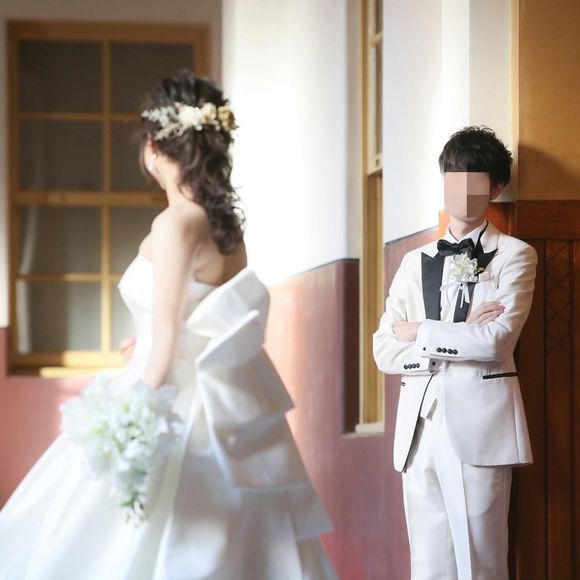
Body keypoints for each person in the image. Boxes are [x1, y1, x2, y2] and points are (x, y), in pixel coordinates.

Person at [0, 70, 337, 580]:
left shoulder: (176, 224)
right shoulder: (229, 230)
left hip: (174, 403)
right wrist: (152, 344)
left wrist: (125, 425)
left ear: (153, 146)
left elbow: (165, 347)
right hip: (228, 406)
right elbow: (213, 322)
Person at [373, 126, 537, 579]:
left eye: (475, 179)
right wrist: (458, 333)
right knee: (427, 567)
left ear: (495, 188)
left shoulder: (515, 255)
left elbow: (495, 341)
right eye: (454, 177)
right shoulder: (413, 262)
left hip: (480, 429)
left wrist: (419, 332)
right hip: (418, 430)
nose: (462, 189)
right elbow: (384, 349)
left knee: (480, 565)